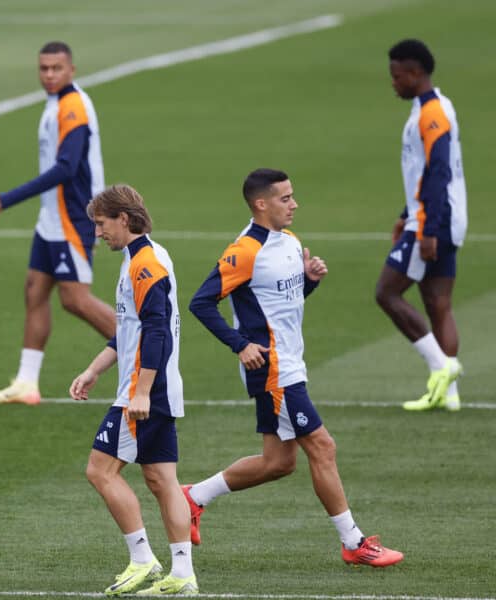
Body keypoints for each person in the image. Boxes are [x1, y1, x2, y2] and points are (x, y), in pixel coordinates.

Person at [184, 168, 403, 568]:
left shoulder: (289, 241)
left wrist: (309, 281)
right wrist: (240, 344)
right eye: (285, 198)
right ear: (260, 203)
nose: (294, 204)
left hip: (292, 364)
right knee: (323, 446)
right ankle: (353, 542)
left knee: (278, 463)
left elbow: (283, 301)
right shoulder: (244, 251)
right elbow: (201, 302)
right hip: (273, 369)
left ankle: (193, 498)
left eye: (293, 196)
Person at [70, 184, 198, 596]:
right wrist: (93, 370)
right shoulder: (142, 259)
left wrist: (140, 392)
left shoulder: (145, 266)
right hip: (154, 387)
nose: (98, 233)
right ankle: (182, 574)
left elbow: (158, 331)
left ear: (123, 219)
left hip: (144, 392)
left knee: (100, 470)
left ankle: (143, 559)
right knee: (162, 479)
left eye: (102, 224)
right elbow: (129, 331)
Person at [0, 41, 114, 405]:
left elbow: (66, 168)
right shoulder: (55, 104)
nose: (50, 75)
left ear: (72, 69)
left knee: (75, 299)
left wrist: (6, 199)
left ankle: (146, 349)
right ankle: (26, 383)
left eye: (57, 68)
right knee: (35, 291)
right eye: (44, 68)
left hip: (72, 218)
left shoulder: (73, 106)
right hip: (50, 220)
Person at [374, 39, 467, 412]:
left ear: (415, 73)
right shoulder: (436, 107)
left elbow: (438, 171)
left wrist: (426, 228)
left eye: (397, 76)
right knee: (437, 302)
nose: (393, 83)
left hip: (434, 220)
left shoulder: (431, 114)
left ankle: (443, 367)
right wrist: (405, 213)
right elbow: (424, 173)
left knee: (387, 293)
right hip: (445, 215)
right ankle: (450, 394)